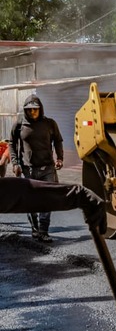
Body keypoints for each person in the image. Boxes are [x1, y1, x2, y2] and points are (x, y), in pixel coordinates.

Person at [10, 95, 64, 242]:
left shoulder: (50, 124)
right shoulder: (19, 124)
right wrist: (15, 163)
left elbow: (58, 141)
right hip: (28, 169)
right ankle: (35, 228)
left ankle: (43, 231)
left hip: (47, 168)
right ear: (25, 110)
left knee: (48, 199)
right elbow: (11, 144)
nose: (33, 112)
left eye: (35, 109)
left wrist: (60, 158)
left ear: (40, 109)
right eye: (29, 110)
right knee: (30, 201)